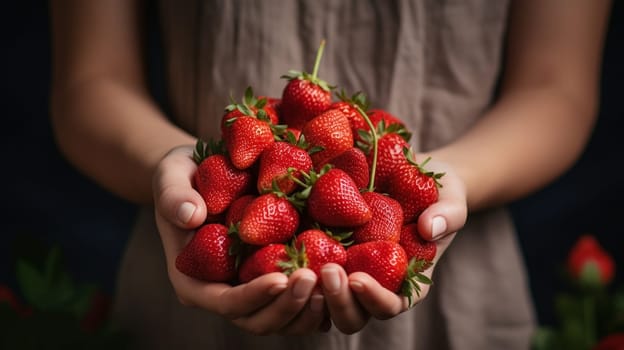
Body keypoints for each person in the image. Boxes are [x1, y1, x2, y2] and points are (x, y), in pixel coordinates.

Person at [49, 0, 612, 349]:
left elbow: (555, 90)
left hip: (451, 282)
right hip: (197, 264)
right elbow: (89, 85)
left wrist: (447, 179)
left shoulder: (354, 182)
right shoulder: (270, 166)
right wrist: (172, 166)